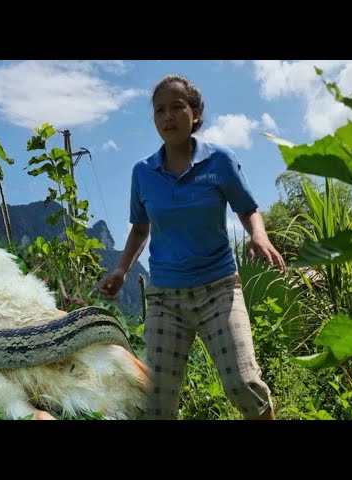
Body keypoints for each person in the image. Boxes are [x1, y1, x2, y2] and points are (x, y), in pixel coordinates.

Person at [99, 74, 286, 420]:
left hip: (219, 290)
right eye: (159, 111)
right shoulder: (143, 173)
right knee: (155, 400)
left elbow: (247, 209)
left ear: (196, 114)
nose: (167, 117)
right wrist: (121, 269)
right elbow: (140, 228)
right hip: (165, 298)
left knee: (243, 383)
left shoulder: (220, 162)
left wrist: (259, 235)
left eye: (176, 107)